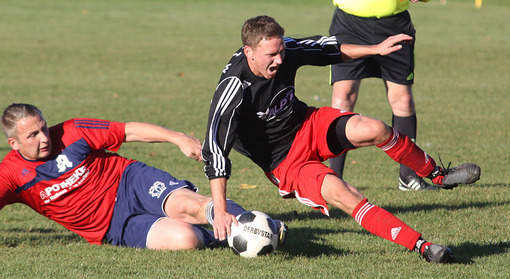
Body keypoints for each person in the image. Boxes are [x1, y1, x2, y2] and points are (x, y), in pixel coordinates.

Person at [201, 15, 480, 263]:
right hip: (286, 163)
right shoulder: (234, 89)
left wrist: (376, 50)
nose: (280, 59)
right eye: (272, 55)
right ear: (248, 52)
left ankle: (437, 174)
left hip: (308, 124)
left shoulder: (284, 49)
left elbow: (328, 49)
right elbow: (215, 150)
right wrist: (222, 211)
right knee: (345, 194)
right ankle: (422, 246)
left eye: (282, 51)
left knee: (376, 129)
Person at [0, 103, 285, 250]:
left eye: (44, 128)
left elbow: (129, 130)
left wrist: (178, 139)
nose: (44, 137)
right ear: (14, 144)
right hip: (113, 226)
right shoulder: (11, 175)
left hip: (129, 181)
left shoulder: (73, 131)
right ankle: (227, 235)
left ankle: (261, 228)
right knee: (185, 240)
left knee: (190, 206)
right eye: (33, 135)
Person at [328, 0, 433, 191]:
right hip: (349, 26)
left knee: (403, 100)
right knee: (343, 98)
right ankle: (333, 179)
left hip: (395, 25)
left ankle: (408, 176)